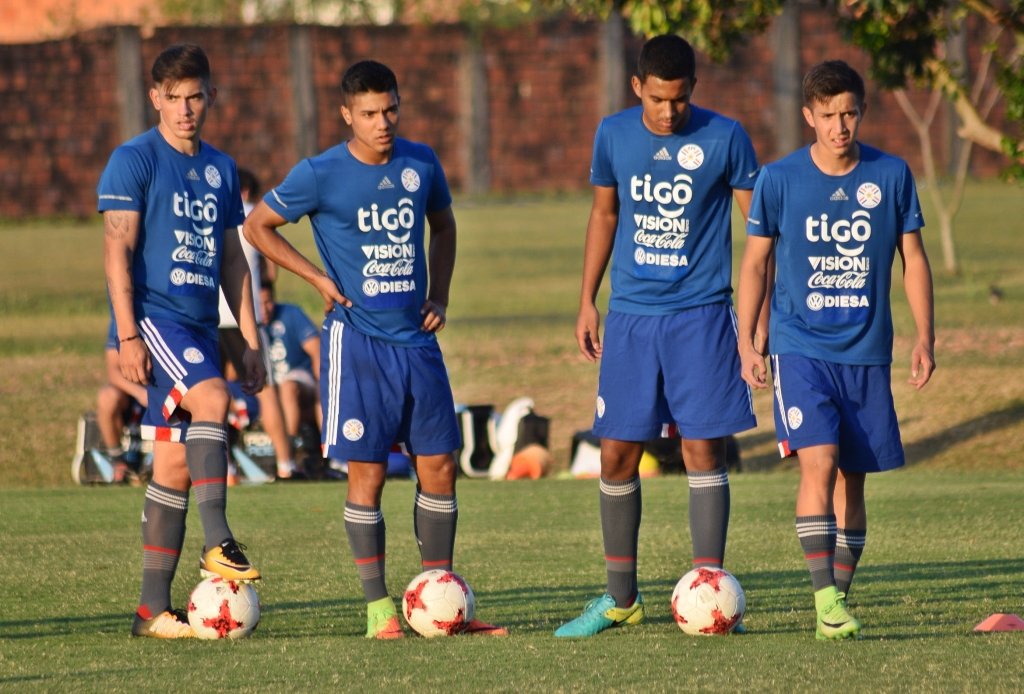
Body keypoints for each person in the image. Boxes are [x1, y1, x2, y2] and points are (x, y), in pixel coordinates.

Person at [244, 59, 506, 639]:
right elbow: (258, 226)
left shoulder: (421, 162)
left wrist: (440, 292)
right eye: (369, 114)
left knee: (439, 465)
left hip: (418, 343)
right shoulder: (320, 173)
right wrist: (315, 278)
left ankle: (439, 600)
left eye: (390, 110)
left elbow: (445, 225)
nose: (382, 122)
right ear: (347, 115)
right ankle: (379, 608)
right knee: (367, 475)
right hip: (357, 345)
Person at [555, 34, 762, 638]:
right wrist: (587, 300)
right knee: (617, 453)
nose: (668, 112)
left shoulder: (726, 137)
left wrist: (759, 322)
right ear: (637, 87)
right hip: (631, 318)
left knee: (704, 450)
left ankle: (711, 597)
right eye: (657, 99)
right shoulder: (613, 134)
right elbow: (605, 214)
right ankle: (621, 599)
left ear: (692, 87)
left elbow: (761, 227)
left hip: (702, 316)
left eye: (679, 99)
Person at [736, 60, 935, 640]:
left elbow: (914, 259)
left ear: (861, 112)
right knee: (817, 462)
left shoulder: (892, 175)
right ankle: (826, 599)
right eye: (827, 116)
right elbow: (754, 264)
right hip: (800, 347)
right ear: (809, 117)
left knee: (854, 479)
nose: (839, 126)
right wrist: (749, 340)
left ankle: (835, 603)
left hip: (868, 352)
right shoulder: (778, 179)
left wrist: (926, 337)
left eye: (848, 113)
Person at [99, 43, 265, 639]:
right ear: (155, 99)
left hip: (197, 326)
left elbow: (232, 260)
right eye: (173, 98)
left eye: (195, 96)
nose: (185, 108)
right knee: (214, 400)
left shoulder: (221, 168)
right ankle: (219, 541)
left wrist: (250, 340)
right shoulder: (133, 159)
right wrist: (126, 334)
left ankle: (151, 611)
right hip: (153, 320)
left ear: (210, 96)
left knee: (171, 464)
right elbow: (116, 249)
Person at [217, 168, 300, 481]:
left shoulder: (212, 212)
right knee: (265, 392)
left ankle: (224, 468)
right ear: (248, 192)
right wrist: (265, 287)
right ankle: (285, 464)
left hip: (210, 313)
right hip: (243, 315)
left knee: (215, 391)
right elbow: (271, 265)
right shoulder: (251, 214)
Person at [259, 280, 323, 444]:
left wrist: (322, 385)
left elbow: (317, 351)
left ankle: (290, 448)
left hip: (300, 379)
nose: (264, 309)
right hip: (266, 386)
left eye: (268, 302)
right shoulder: (244, 322)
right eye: (258, 304)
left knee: (288, 387)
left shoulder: (291, 313)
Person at [97, 318, 150, 484]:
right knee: (107, 397)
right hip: (133, 393)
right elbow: (113, 373)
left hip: (160, 388)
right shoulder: (119, 320)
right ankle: (117, 460)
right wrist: (140, 393)